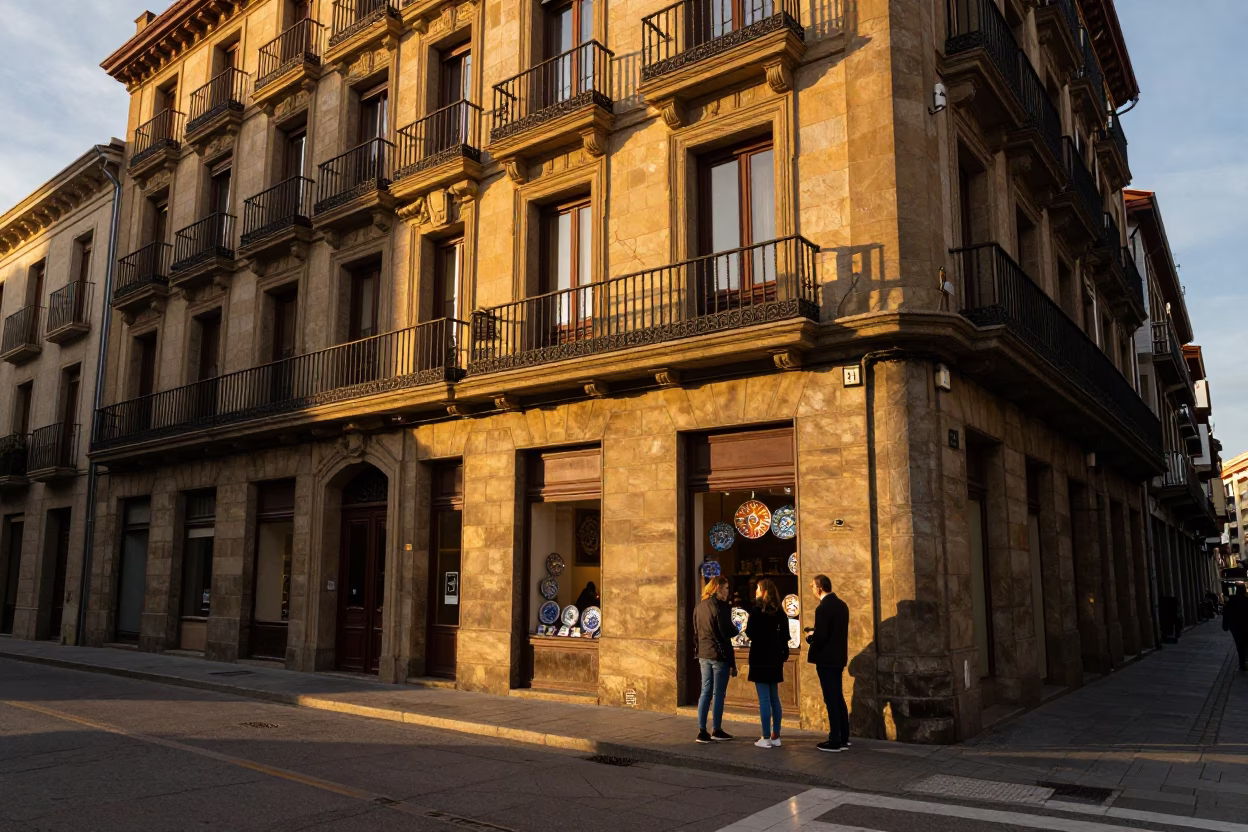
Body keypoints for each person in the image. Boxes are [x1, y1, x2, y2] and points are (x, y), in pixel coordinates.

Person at [806, 574, 849, 752]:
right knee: (838, 696)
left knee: (830, 698)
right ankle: (843, 736)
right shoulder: (842, 605)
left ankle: (834, 739)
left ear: (820, 587)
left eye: (812, 587)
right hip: (838, 657)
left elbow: (822, 635)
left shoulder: (823, 608)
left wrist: (810, 637)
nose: (812, 590)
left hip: (826, 659)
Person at [692, 575, 737, 743]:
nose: (728, 591)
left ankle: (702, 730)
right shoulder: (722, 607)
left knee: (705, 691)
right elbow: (726, 631)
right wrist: (737, 629)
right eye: (726, 588)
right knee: (718, 693)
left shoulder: (699, 606)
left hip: (704, 654)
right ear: (718, 588)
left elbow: (695, 632)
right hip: (719, 655)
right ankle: (716, 729)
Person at [745, 578, 789, 748]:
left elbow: (750, 632)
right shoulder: (780, 613)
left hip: (760, 657)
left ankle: (765, 737)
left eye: (757, 588)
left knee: (764, 698)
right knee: (774, 698)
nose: (756, 591)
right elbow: (785, 636)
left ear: (763, 591)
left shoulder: (756, 612)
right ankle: (776, 735)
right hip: (775, 658)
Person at [1223, 590, 1248, 671]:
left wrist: (1225, 625)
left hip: (1234, 626)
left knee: (1239, 644)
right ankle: (1244, 661)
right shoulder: (1246, 600)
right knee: (1245, 643)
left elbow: (1226, 613)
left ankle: (1242, 663)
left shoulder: (1231, 601)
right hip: (1245, 625)